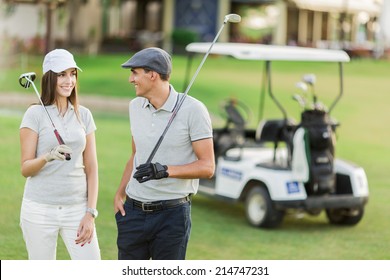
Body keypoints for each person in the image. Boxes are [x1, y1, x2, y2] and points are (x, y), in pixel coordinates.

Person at [114, 47, 215, 260]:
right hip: (133, 212)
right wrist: (120, 193)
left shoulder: (194, 110)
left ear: (152, 74)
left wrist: (164, 170)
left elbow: (207, 167)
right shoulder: (135, 106)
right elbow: (136, 155)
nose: (131, 79)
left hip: (172, 216)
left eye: (135, 72)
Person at [19, 49, 101, 260]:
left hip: (77, 209)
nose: (69, 80)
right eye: (62, 74)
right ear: (49, 78)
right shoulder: (34, 114)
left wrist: (90, 213)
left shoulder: (84, 114)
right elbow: (25, 168)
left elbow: (92, 168)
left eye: (72, 74)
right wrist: (48, 156)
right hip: (39, 209)